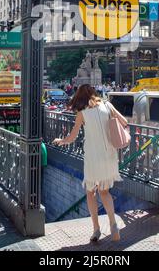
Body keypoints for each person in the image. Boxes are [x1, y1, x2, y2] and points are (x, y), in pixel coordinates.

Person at [53, 84, 128, 243]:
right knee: (105, 192)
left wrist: (61, 141)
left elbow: (72, 137)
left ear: (80, 97)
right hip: (109, 155)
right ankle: (113, 225)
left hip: (93, 158)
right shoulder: (107, 105)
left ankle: (96, 230)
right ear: (93, 93)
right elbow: (124, 122)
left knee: (90, 192)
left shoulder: (82, 113)